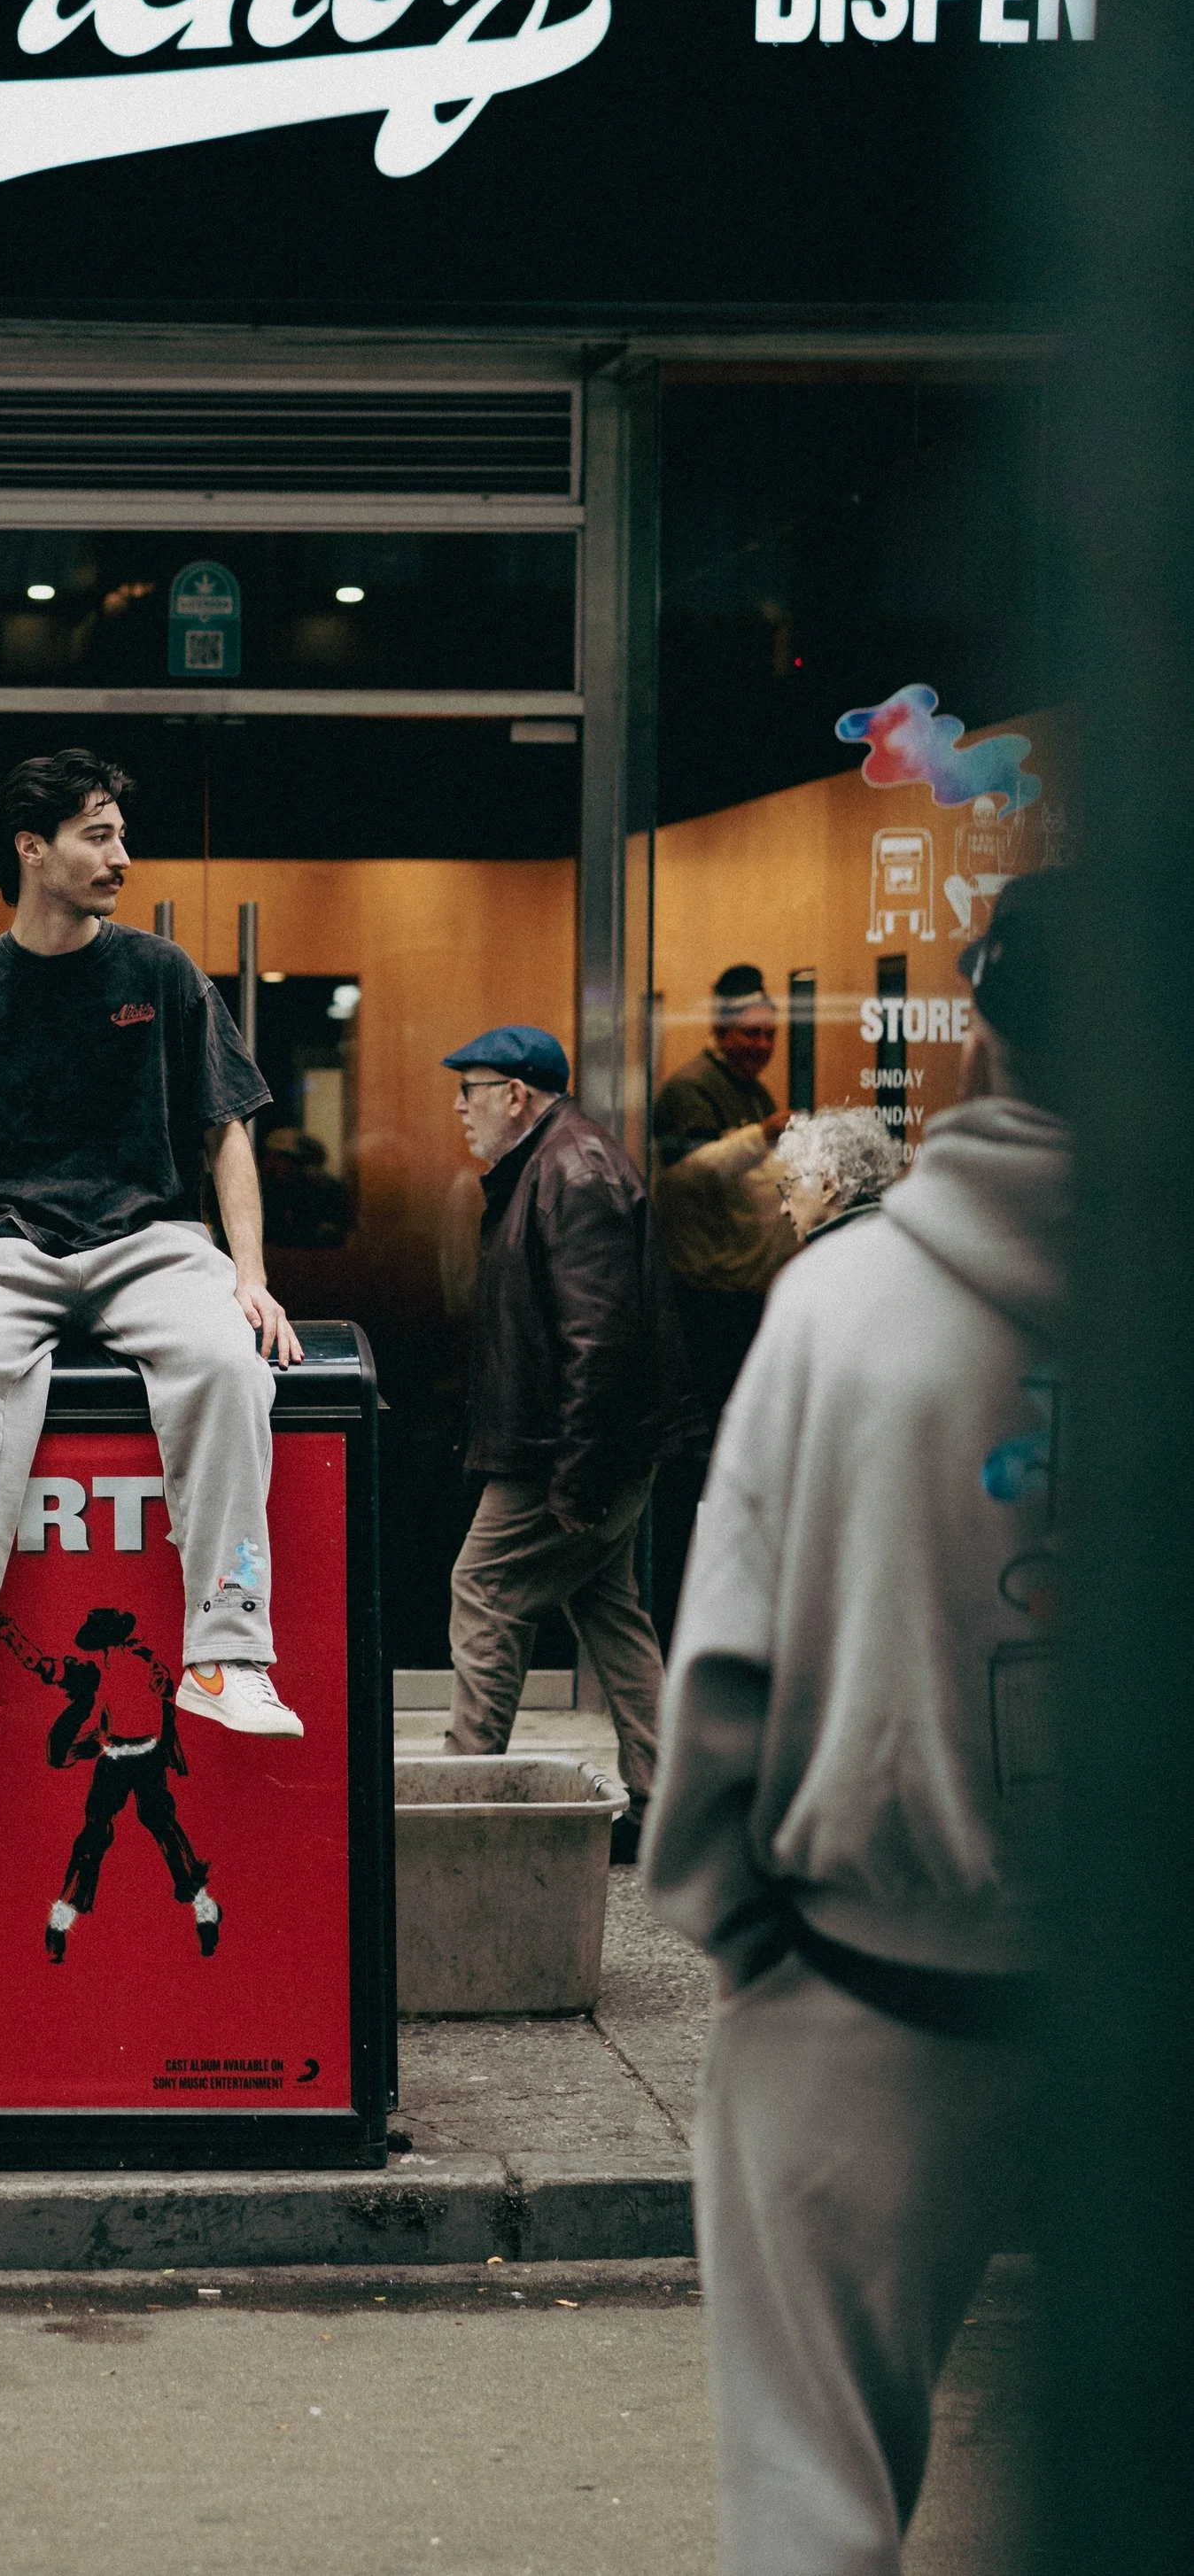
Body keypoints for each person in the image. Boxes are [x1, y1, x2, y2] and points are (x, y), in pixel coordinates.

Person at [645, 873, 1070, 2572]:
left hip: (870, 1974)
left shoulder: (845, 1303)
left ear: (984, 1024)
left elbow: (726, 1673)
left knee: (817, 2490)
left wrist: (751, 1938)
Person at [0, 749, 303, 1743]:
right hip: (11, 1247)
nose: (122, 856)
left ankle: (227, 1654)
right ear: (33, 849)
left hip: (153, 1239)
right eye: (97, 835)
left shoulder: (162, 972)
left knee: (229, 1368)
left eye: (119, 834)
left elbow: (226, 1127)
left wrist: (250, 1274)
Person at [442, 1026, 691, 1865]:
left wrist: (576, 1477)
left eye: (469, 1089)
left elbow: (601, 1339)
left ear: (516, 1094)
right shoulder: (553, 1161)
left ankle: (463, 1798)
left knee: (481, 1590)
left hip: (569, 1451)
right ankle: (665, 1802)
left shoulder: (572, 1170)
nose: (459, 1106)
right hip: (585, 1446)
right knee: (609, 1610)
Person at [648, 963, 797, 1641]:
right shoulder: (689, 1090)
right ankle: (685, 1601)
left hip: (744, 1297)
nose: (760, 1046)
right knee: (699, 1462)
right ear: (717, 1028)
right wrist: (765, 1135)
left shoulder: (748, 1088)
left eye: (769, 1035)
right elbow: (685, 1178)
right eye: (747, 1034)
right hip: (705, 1302)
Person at [0, 1603, 221, 1962]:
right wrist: (11, 1636)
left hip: (146, 1759)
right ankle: (63, 1918)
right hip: (116, 1760)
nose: (114, 1650)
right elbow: (44, 1667)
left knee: (161, 1827)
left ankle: (204, 1909)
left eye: (114, 1643)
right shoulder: (95, 1671)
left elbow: (164, 1704)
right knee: (97, 1835)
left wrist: (11, 1636)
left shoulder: (145, 1663)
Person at [774, 1105, 903, 1245]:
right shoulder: (894, 1240)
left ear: (827, 1186)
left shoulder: (832, 1260)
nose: (783, 1209)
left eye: (791, 1187)